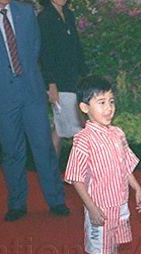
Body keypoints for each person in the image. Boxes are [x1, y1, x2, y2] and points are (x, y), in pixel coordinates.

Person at [0, 0, 69, 222]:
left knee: (44, 148)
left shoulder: (26, 12)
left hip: (32, 91)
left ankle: (56, 200)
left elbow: (36, 45)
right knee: (12, 151)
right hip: (2, 96)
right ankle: (17, 204)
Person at [64, 76, 141, 254]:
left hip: (119, 203)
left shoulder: (117, 133)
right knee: (98, 253)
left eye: (111, 101)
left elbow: (125, 165)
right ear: (84, 107)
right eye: (101, 102)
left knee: (113, 246)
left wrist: (136, 188)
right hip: (99, 207)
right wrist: (91, 208)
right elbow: (76, 178)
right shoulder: (83, 140)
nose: (109, 108)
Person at [38, 0, 88, 155]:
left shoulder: (68, 14)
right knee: (76, 129)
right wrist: (51, 83)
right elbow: (45, 52)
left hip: (72, 77)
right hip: (58, 81)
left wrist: (84, 73)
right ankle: (78, 175)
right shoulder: (44, 17)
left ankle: (51, 173)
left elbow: (76, 46)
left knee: (60, 129)